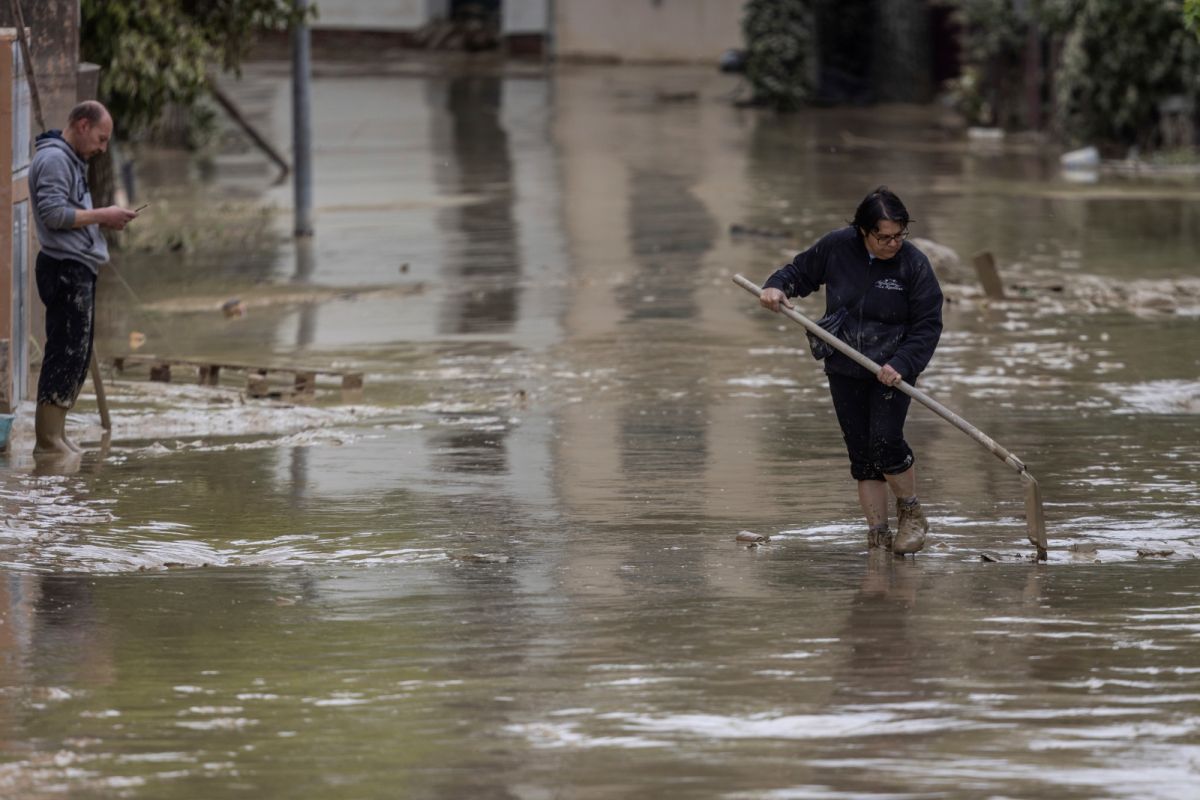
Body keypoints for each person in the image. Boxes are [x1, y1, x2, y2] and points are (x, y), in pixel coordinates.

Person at [759, 187, 943, 555]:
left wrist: (901, 364)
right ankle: (878, 539)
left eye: (899, 235)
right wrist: (777, 287)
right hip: (844, 363)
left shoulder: (914, 264)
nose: (893, 244)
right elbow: (798, 272)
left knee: (886, 441)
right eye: (884, 237)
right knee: (862, 454)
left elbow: (928, 325)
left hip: (892, 368)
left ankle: (911, 513)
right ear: (863, 231)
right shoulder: (837, 247)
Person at [29, 101, 139, 455]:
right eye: (100, 139)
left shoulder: (71, 159)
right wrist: (102, 215)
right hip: (63, 269)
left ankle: (56, 434)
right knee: (64, 351)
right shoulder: (54, 160)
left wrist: (102, 218)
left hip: (77, 267)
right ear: (81, 125)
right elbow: (52, 214)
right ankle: (47, 441)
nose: (102, 148)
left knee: (77, 353)